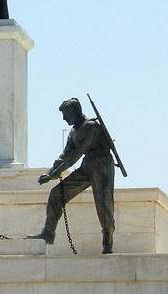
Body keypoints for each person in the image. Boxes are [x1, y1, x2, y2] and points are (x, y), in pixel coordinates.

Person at [28, 97, 115, 253]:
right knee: (56, 194)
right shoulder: (74, 132)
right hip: (87, 165)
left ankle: (107, 240)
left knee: (103, 204)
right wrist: (49, 173)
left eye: (66, 114)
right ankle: (48, 233)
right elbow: (65, 154)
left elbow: (75, 155)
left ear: (76, 111)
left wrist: (55, 173)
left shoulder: (91, 127)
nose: (64, 118)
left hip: (102, 165)